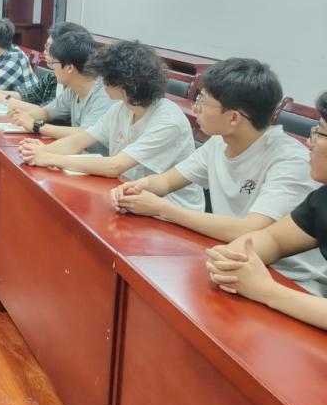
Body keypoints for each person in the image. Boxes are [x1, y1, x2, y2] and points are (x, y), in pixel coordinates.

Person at [111, 59, 327, 295]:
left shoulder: (290, 161)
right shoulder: (218, 143)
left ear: (234, 118)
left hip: (290, 280)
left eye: (203, 101)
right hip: (233, 258)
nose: (196, 108)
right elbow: (167, 181)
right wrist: (140, 187)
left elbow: (250, 230)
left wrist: (162, 208)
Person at [19, 40, 204, 210]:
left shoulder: (168, 120)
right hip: (126, 196)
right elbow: (80, 140)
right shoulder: (121, 109)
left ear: (124, 84)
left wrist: (50, 158)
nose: (100, 82)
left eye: (105, 78)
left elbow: (115, 166)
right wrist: (41, 151)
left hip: (169, 209)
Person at [206, 92, 327, 327]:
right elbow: (274, 239)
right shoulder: (322, 198)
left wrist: (265, 290)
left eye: (319, 133)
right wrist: (230, 259)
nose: (309, 142)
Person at [7, 31, 113, 149]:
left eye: (54, 63)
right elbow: (47, 112)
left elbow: (85, 134)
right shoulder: (73, 89)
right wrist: (22, 117)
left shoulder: (105, 93)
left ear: (70, 68)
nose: (52, 68)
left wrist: (36, 125)